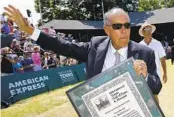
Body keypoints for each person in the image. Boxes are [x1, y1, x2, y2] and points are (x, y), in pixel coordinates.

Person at [4, 5, 162, 96]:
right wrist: (29, 30)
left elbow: (157, 87)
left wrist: (145, 76)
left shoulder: (144, 52)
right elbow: (61, 45)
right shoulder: (95, 46)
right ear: (107, 30)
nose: (124, 30)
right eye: (117, 26)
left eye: (127, 25)